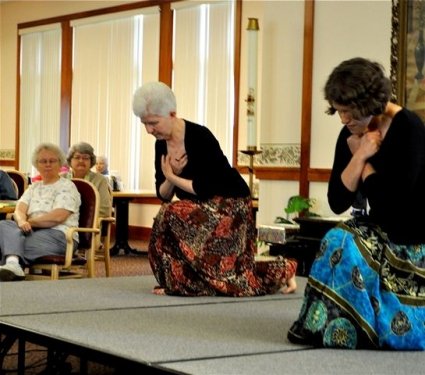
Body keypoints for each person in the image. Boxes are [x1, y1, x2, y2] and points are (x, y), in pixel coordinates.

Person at [287, 57, 425, 349]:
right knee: (337, 236)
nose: (343, 120)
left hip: (411, 232)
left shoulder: (409, 128)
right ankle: (324, 323)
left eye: (348, 112)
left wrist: (365, 164)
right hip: (384, 226)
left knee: (346, 240)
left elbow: (395, 206)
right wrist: (359, 155)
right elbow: (337, 201)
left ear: (369, 103)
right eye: (339, 112)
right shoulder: (350, 134)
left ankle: (349, 326)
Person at [132, 81, 297, 296]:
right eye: (144, 123)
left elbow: (205, 188)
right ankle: (178, 282)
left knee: (172, 213)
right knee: (165, 218)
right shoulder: (160, 144)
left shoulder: (200, 136)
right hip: (199, 206)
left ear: (172, 114)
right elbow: (163, 194)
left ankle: (279, 271)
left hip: (230, 203)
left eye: (153, 123)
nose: (149, 130)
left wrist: (172, 175)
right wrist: (170, 178)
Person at [0, 143, 81, 281]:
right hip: (30, 231)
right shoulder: (33, 187)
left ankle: (12, 262)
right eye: (43, 161)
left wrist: (28, 222)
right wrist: (21, 220)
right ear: (37, 165)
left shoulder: (67, 186)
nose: (47, 164)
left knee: (9, 243)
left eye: (52, 161)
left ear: (60, 163)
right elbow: (19, 210)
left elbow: (57, 217)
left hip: (59, 235)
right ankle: (13, 264)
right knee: (4, 224)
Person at [64, 142, 112, 218]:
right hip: (60, 222)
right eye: (77, 157)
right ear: (70, 160)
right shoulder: (61, 178)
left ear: (91, 161)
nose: (81, 161)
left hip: (89, 225)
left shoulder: (100, 180)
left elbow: (104, 210)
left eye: (85, 158)